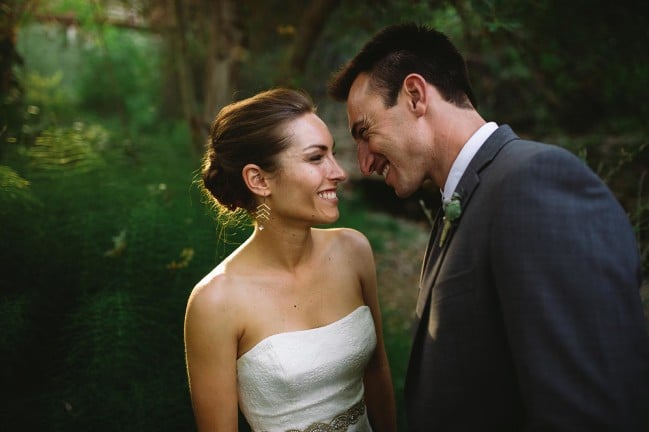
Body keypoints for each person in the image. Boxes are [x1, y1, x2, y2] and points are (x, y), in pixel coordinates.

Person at [328, 23, 649, 431]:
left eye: (365, 132)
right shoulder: (462, 202)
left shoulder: (536, 183)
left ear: (414, 95)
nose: (364, 162)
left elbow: (590, 410)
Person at [184, 88, 397, 432]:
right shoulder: (215, 301)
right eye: (316, 158)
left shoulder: (353, 250)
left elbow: (378, 371)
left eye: (333, 154)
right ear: (258, 179)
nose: (339, 172)